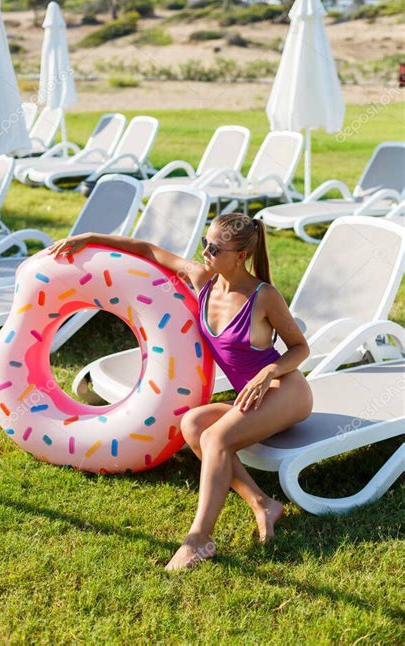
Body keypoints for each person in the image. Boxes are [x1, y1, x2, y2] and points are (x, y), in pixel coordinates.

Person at [49, 212, 313, 571]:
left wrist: (269, 371)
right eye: (205, 242)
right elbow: (148, 250)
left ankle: (198, 539)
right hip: (252, 398)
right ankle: (262, 503)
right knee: (193, 426)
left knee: (217, 438)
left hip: (287, 391)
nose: (205, 251)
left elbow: (300, 348)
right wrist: (92, 236)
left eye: (214, 247)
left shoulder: (264, 296)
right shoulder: (203, 280)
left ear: (240, 256)